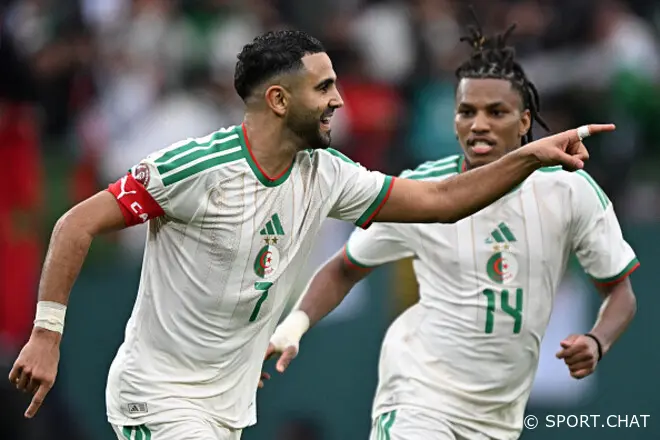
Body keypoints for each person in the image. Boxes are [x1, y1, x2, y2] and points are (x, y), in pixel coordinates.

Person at [9, 29, 611, 440]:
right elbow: (75, 223)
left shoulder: (328, 174)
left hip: (226, 407)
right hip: (158, 397)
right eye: (323, 87)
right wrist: (46, 335)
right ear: (278, 99)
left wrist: (530, 157)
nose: (338, 100)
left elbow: (442, 201)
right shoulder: (195, 169)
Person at [267, 22, 637, 440]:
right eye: (467, 112)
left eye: (496, 112)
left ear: (524, 122)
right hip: (418, 397)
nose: (478, 124)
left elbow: (620, 292)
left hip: (499, 416)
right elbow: (344, 268)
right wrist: (295, 325)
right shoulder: (420, 190)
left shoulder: (569, 190)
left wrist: (597, 341)